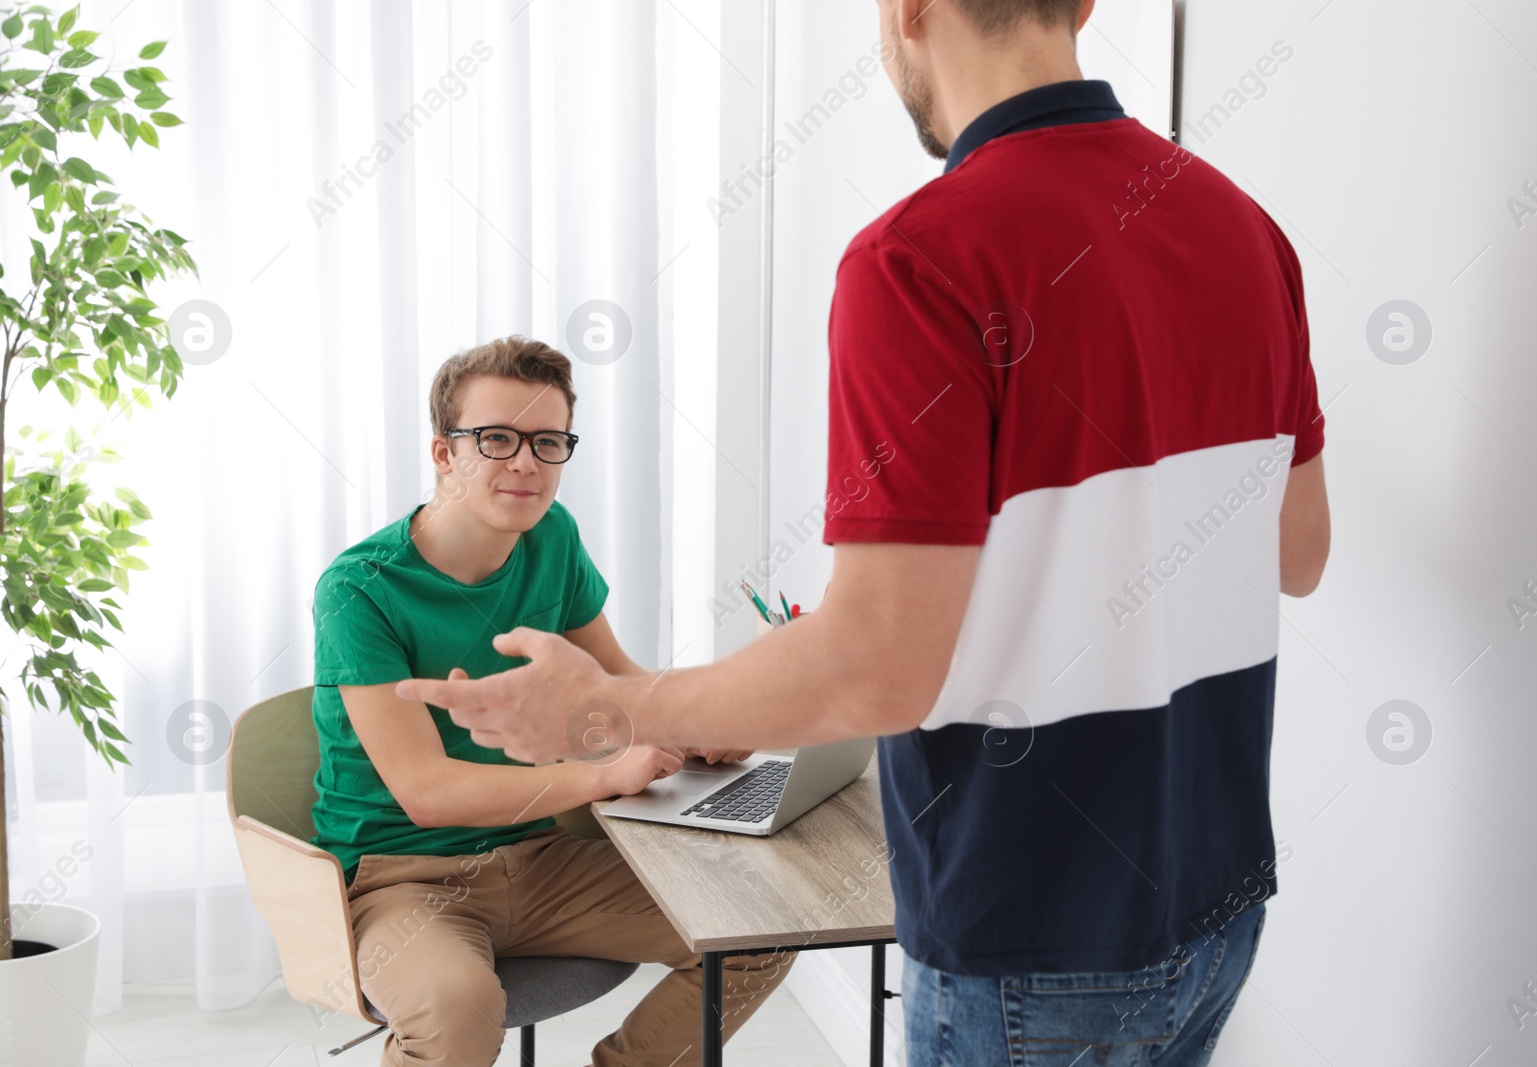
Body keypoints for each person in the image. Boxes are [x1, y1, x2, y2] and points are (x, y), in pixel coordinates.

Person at [398, 0, 1332, 1062]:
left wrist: (606, 705)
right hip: (1216, 897)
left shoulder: (921, 257)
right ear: (1080, 5)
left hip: (1034, 929)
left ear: (907, 11)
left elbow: (878, 668)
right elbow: (1295, 552)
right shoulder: (1241, 228)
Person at [309, 335, 792, 1066]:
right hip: (399, 877)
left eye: (547, 440)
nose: (526, 462)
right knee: (458, 1009)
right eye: (496, 438)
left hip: (540, 856)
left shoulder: (552, 538)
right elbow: (427, 792)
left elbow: (619, 685)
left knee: (758, 925)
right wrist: (604, 772)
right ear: (446, 454)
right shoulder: (358, 589)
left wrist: (703, 725)